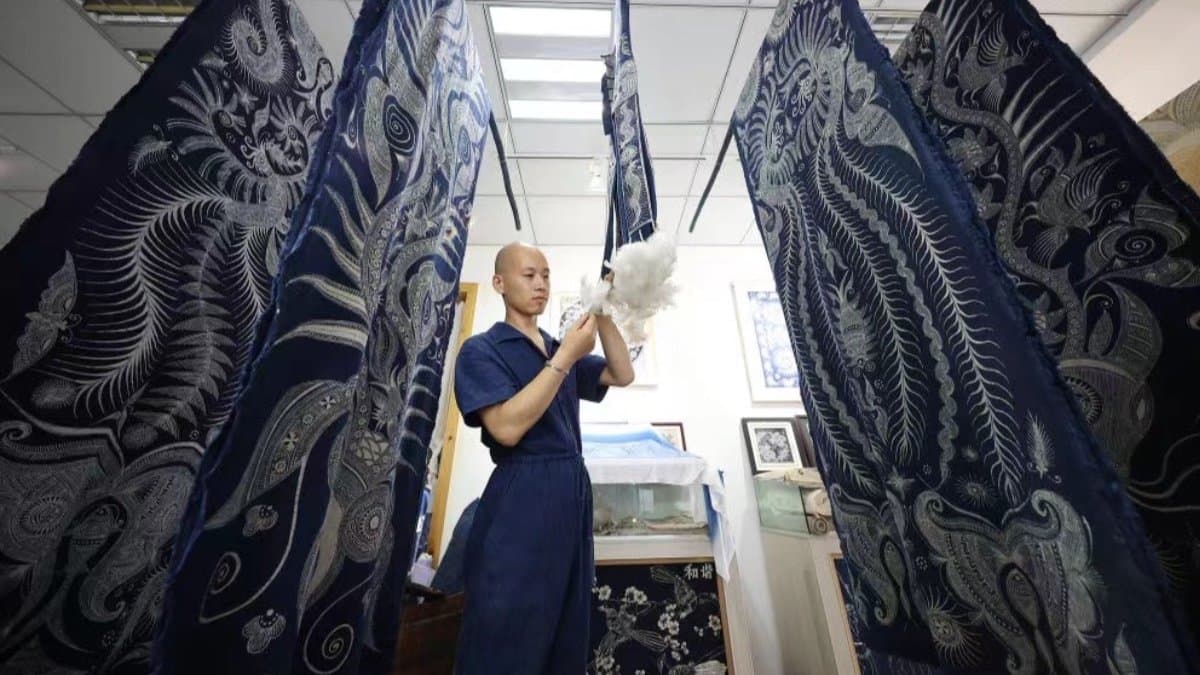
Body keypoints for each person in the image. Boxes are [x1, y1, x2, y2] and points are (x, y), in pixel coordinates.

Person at [452, 242, 635, 674]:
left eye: (547, 275)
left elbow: (622, 373)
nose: (540, 284)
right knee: (509, 627)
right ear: (499, 283)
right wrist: (566, 358)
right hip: (523, 494)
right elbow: (507, 427)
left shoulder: (555, 345)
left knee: (566, 627)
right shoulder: (482, 350)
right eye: (529, 274)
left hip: (570, 493)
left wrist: (602, 309)